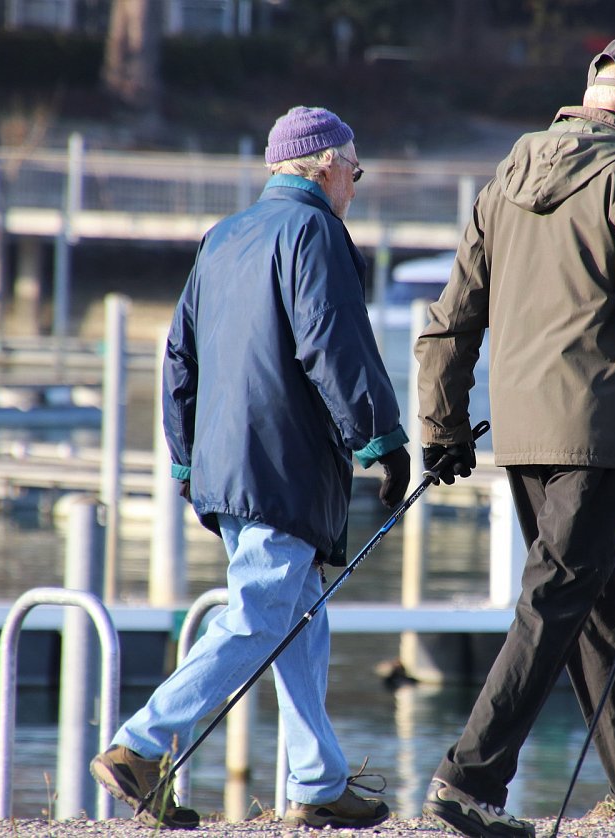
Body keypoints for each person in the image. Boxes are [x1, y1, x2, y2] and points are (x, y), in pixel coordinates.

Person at [415, 39, 615, 838]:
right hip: (597, 433)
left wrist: (443, 424)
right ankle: (470, 779)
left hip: (525, 434)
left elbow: (451, 318)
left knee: (594, 608)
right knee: (558, 601)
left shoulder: (508, 175)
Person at [90, 105, 410, 830]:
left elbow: (180, 355)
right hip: (283, 463)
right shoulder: (314, 230)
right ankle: (140, 745)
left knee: (299, 618)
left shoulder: (224, 236)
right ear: (326, 166)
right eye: (354, 171)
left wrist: (183, 456)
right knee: (260, 614)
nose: (355, 186)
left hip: (226, 466)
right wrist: (382, 440)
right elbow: (333, 341)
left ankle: (317, 782)